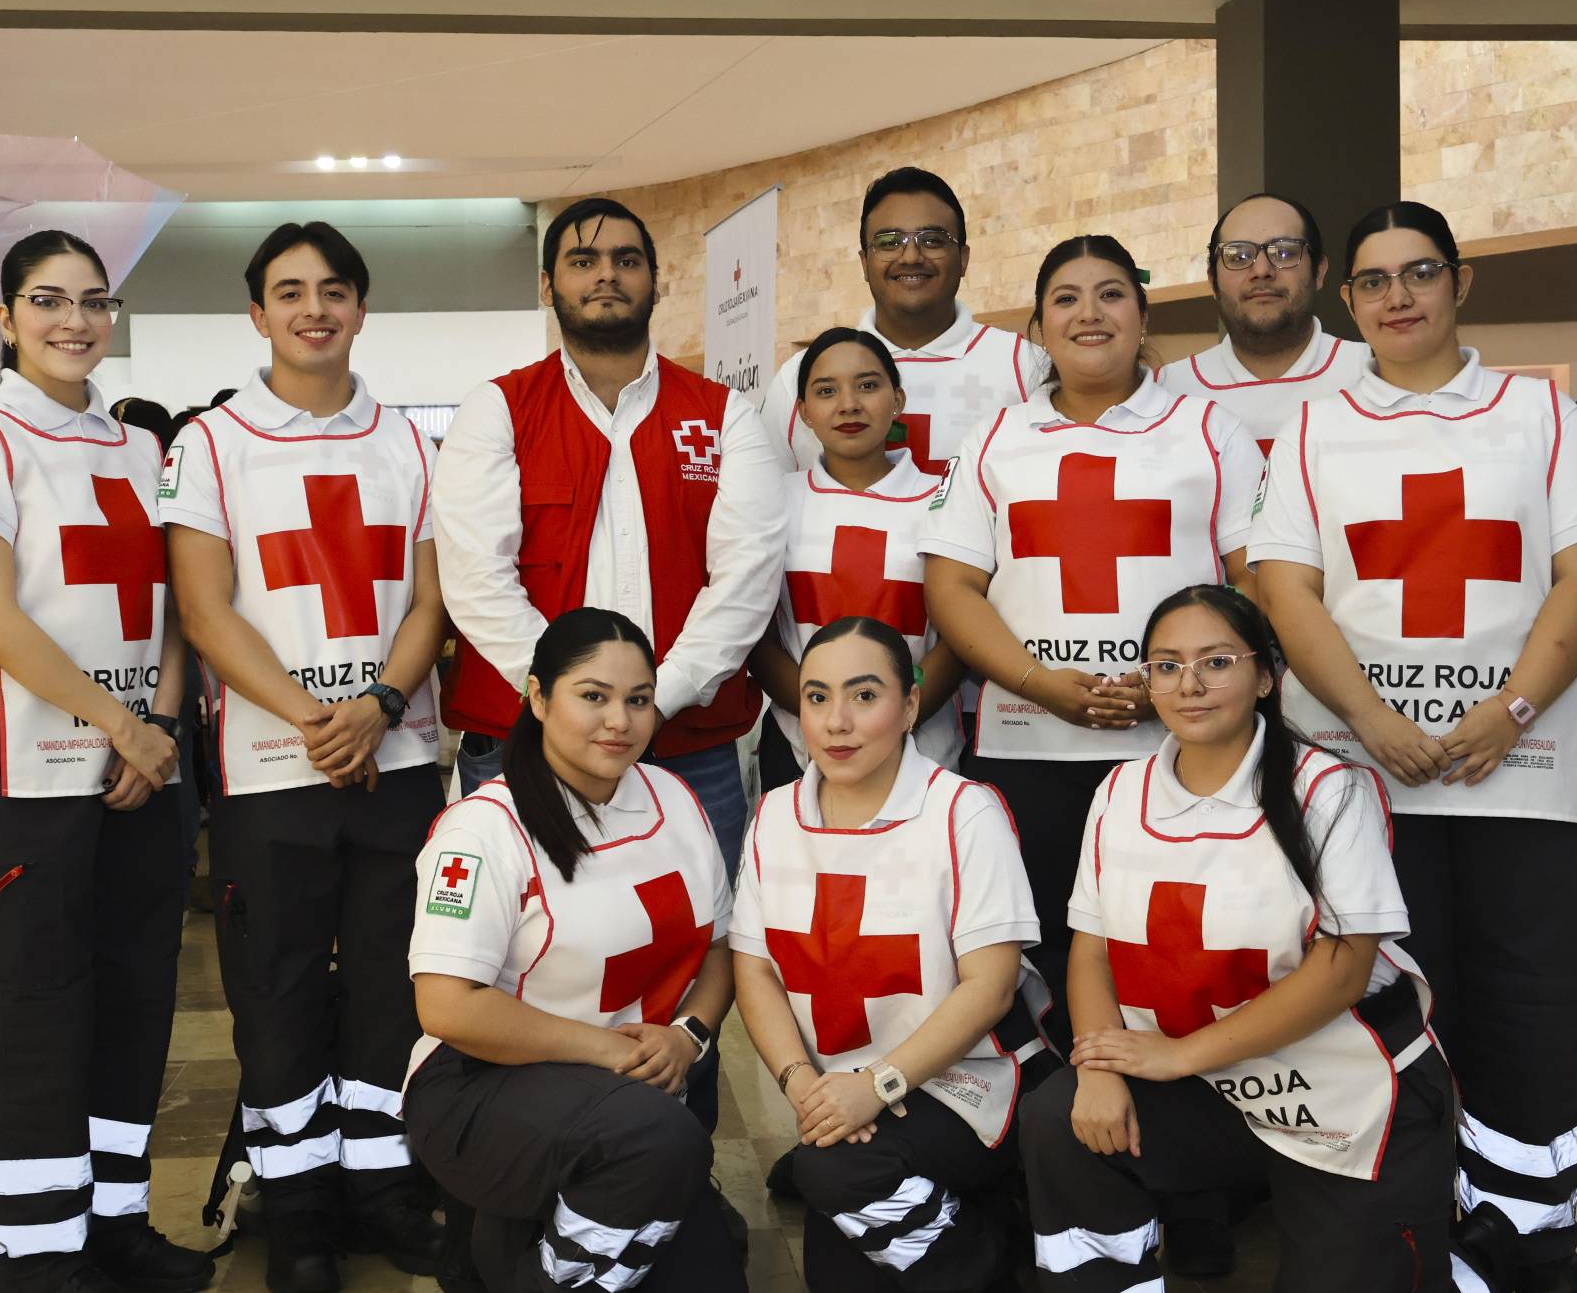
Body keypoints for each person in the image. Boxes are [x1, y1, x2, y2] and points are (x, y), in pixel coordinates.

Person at [1250, 201, 1577, 1293]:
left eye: (1418, 272)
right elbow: (1286, 586)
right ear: (1347, 299)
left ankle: (1526, 1254)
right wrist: (1371, 721)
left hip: (1526, 781)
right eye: (1371, 281)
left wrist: (1505, 711)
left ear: (1459, 281)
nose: (1396, 296)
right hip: (1365, 784)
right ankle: (1409, 1245)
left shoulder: (1539, 413)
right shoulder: (1319, 426)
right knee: (1388, 1022)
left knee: (1527, 1021)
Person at [163, 220, 450, 1291]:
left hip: (398, 759)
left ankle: (383, 1188)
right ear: (256, 313)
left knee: (392, 989)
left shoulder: (409, 441)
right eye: (289, 291)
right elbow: (204, 608)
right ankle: (300, 1214)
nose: (313, 307)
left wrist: (376, 705)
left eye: (333, 289)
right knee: (276, 994)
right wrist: (316, 719)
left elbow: (430, 598)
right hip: (267, 775)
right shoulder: (212, 441)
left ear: (362, 308)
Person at [1019, 584, 1453, 1292]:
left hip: (1342, 1089)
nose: (1189, 684)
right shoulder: (1120, 793)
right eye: (1166, 665)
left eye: (1216, 661)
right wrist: (1098, 1067)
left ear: (1265, 675)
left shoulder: (1329, 790)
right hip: (1204, 1087)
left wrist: (1179, 1055)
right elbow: (1092, 949)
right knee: (1059, 1118)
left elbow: (1344, 971)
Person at [0, 230, 210, 1293]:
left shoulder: (139, 449)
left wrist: (162, 725)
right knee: (34, 1014)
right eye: (47, 301)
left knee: (136, 1000)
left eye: (94, 301)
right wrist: (122, 724)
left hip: (138, 776)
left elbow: (173, 613)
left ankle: (115, 1226)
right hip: (29, 780)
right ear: (6, 318)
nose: (74, 321)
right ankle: (39, 1257)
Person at [921, 234, 1265, 1027]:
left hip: (1182, 749)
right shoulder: (995, 441)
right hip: (1025, 750)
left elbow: (1256, 579)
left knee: (1174, 948)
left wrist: (1169, 688)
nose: (1089, 313)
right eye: (1065, 298)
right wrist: (1042, 685)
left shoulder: (1208, 430)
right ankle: (1052, 1132)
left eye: (1111, 293)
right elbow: (953, 585)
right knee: (1031, 955)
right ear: (1038, 326)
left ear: (1142, 313)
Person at [434, 196, 785, 873]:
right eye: (582, 260)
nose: (607, 275)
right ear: (547, 285)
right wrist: (573, 702)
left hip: (688, 744)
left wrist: (654, 698)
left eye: (627, 260)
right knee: (519, 939)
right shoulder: (497, 409)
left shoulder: (724, 415)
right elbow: (477, 578)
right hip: (524, 742)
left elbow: (747, 579)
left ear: (656, 280)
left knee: (698, 938)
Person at [405, 607, 744, 1292]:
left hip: (626, 1106)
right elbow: (445, 1006)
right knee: (664, 1142)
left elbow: (720, 947)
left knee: (716, 1271)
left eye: (639, 699)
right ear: (537, 696)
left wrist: (688, 1036)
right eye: (593, 695)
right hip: (481, 1085)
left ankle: (510, 1240)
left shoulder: (675, 798)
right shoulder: (483, 828)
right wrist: (609, 1049)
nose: (620, 720)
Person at [732, 615, 1049, 1291]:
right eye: (817, 696)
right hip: (836, 1095)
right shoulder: (775, 815)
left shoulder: (963, 811)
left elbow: (991, 986)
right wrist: (802, 1084)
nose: (837, 720)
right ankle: (975, 1227)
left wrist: (874, 1085)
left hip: (962, 1085)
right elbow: (754, 966)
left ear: (909, 706)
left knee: (830, 1175)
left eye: (864, 695)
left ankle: (992, 1264)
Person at [748, 327, 963, 791]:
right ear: (803, 412)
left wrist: (891, 720)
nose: (848, 404)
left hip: (923, 749)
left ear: (898, 399)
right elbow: (756, 637)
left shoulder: (946, 500)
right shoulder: (772, 502)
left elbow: (961, 635)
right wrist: (826, 720)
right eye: (826, 391)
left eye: (867, 385)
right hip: (798, 751)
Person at [759, 167, 1048, 476]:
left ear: (963, 258)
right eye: (888, 242)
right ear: (864, 263)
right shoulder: (801, 379)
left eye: (933, 240)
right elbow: (761, 503)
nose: (910, 256)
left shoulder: (1025, 366)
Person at [1158, 192, 1371, 455]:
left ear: (1319, 271)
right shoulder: (1167, 391)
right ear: (1212, 280)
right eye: (1238, 256)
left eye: (1284, 252)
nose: (1261, 270)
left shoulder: (1372, 373)